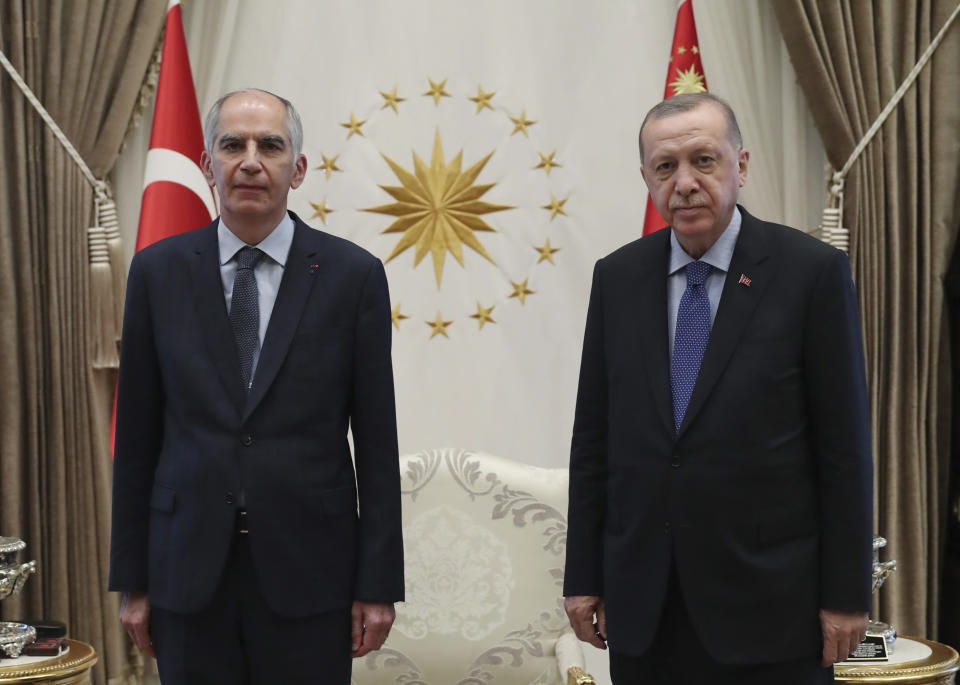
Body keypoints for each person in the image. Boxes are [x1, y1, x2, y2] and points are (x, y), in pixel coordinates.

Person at [562, 92, 873, 684]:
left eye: (703, 160)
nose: (684, 183)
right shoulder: (618, 277)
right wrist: (583, 578)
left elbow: (844, 450)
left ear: (742, 165)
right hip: (647, 610)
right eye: (665, 167)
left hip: (772, 610)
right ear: (648, 179)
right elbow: (593, 441)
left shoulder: (810, 273)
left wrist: (847, 596)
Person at [108, 89, 404, 684]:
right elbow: (136, 436)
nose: (250, 160)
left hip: (311, 574)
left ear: (297, 169)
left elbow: (376, 443)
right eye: (232, 144)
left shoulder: (352, 277)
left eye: (270, 145)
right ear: (207, 162)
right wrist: (133, 580)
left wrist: (378, 586)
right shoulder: (157, 272)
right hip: (186, 572)